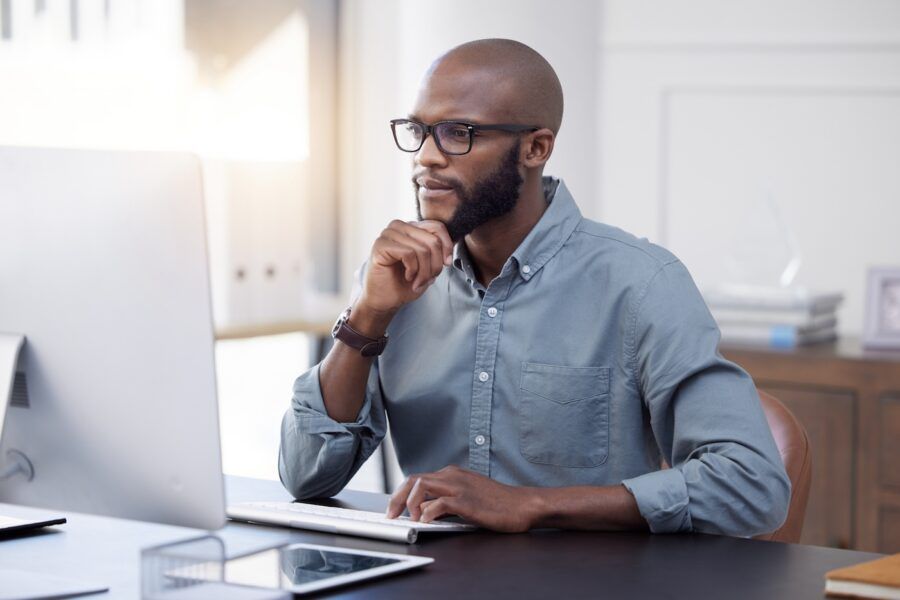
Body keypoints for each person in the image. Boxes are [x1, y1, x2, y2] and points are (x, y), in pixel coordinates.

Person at [278, 38, 790, 536]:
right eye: (419, 130)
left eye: (457, 133)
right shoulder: (393, 280)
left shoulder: (642, 284)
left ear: (536, 148)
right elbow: (306, 476)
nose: (427, 157)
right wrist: (366, 317)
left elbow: (750, 485)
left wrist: (532, 505)